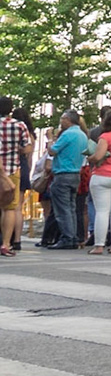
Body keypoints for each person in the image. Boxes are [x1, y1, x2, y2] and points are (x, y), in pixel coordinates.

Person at [39, 110, 87, 249]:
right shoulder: (82, 135)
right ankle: (72, 236)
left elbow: (52, 150)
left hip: (63, 173)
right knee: (71, 207)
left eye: (62, 118)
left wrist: (49, 138)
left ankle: (67, 237)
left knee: (62, 209)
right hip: (75, 173)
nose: (60, 122)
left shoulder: (68, 134)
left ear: (68, 119)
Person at [86, 108, 111, 255]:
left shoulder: (106, 136)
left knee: (102, 211)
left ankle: (99, 245)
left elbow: (98, 156)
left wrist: (90, 158)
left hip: (102, 175)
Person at [0, 96, 29, 256]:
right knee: (9, 208)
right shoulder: (19, 125)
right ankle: (6, 243)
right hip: (12, 169)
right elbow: (27, 148)